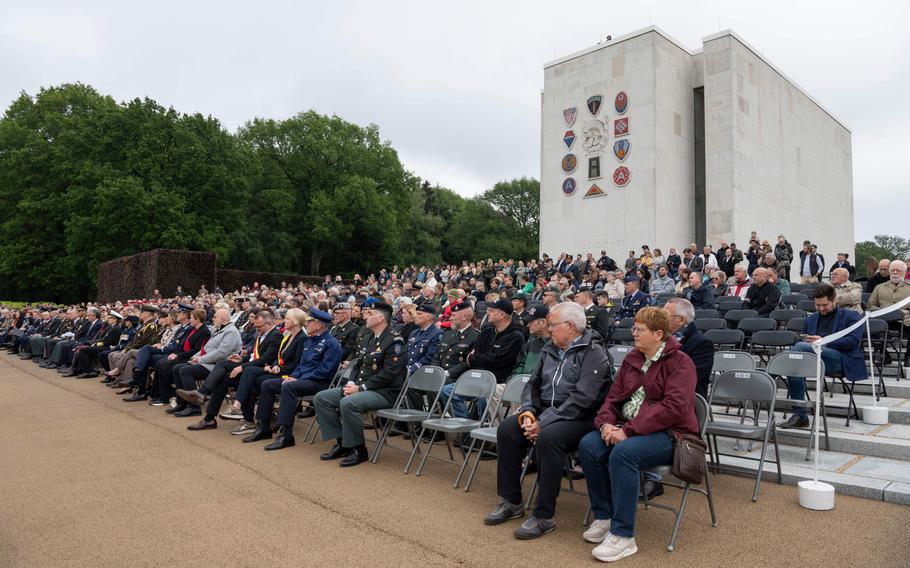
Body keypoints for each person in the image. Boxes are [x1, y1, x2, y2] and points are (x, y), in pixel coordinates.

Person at [577, 307, 698, 561]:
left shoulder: (680, 362)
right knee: (589, 444)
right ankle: (604, 516)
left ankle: (624, 535)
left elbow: (674, 408)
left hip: (670, 433)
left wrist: (628, 431)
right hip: (627, 427)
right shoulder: (633, 359)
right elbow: (612, 398)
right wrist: (606, 425)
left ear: (659, 334)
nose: (634, 333)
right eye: (634, 327)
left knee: (624, 453)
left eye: (640, 329)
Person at [484, 302, 612, 539]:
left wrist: (543, 423)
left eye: (552, 324)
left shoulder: (594, 353)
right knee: (508, 430)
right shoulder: (549, 349)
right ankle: (512, 501)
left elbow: (583, 399)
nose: (549, 329)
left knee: (548, 437)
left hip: (580, 418)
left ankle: (543, 516)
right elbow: (532, 385)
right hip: (545, 413)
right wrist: (529, 413)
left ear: (570, 326)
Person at [313, 302, 406, 467]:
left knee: (348, 403)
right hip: (360, 387)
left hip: (385, 392)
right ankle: (342, 442)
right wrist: (350, 383)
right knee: (321, 398)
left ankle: (358, 449)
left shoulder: (395, 341)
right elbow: (358, 364)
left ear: (381, 317)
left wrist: (361, 388)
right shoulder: (368, 337)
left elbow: (389, 374)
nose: (365, 315)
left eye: (370, 313)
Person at [243, 307, 342, 450]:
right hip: (303, 380)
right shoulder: (309, 341)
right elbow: (301, 366)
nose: (306, 324)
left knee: (288, 387)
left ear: (318, 325)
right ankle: (263, 427)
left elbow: (325, 371)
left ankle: (286, 435)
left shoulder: (332, 344)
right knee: (267, 384)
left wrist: (297, 379)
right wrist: (294, 376)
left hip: (319, 383)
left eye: (309, 322)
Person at [177, 309, 284, 429]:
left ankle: (203, 393)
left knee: (223, 364)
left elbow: (266, 359)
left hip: (261, 371)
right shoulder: (262, 335)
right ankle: (209, 419)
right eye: (255, 325)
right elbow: (254, 356)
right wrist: (241, 359)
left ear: (269, 324)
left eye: (259, 326)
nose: (256, 328)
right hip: (250, 368)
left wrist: (241, 366)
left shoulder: (276, 336)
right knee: (222, 379)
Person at [781, 284, 867, 428]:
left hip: (842, 358)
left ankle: (769, 377)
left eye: (825, 305)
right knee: (794, 366)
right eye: (818, 305)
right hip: (814, 358)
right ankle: (800, 416)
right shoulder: (810, 319)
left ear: (834, 300)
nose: (821, 308)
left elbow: (853, 342)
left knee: (797, 352)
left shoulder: (852, 316)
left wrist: (823, 341)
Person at [169, 308, 241, 417]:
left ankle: (194, 407)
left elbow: (221, 353)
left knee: (185, 370)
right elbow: (206, 348)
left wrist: (200, 359)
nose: (213, 319)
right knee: (177, 368)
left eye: (215, 317)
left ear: (222, 319)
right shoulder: (219, 329)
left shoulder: (231, 332)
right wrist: (195, 357)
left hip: (218, 366)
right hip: (209, 362)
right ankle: (181, 403)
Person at [664, 298, 714, 398]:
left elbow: (689, 378)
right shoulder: (661, 337)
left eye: (665, 315)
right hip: (662, 394)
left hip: (686, 399)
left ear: (681, 320)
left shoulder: (702, 343)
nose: (660, 319)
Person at [867, 260, 910, 367]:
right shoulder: (879, 287)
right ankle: (884, 355)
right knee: (871, 326)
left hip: (905, 320)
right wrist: (879, 311)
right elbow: (870, 305)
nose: (895, 272)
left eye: (898, 270)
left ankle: (908, 356)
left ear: (904, 272)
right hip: (884, 320)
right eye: (892, 270)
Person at [430, 302, 477, 383]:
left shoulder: (475, 336)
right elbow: (437, 355)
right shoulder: (447, 334)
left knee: (434, 385)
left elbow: (468, 363)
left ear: (464, 317)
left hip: (457, 377)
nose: (450, 318)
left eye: (453, 315)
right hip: (440, 374)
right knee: (414, 383)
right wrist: (435, 370)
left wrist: (447, 373)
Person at [512, 305, 550, 375]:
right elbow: (518, 369)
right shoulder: (530, 344)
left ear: (543, 322)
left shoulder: (557, 345)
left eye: (531, 322)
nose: (528, 325)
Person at [405, 304, 442, 374]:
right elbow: (406, 352)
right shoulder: (414, 333)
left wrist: (411, 369)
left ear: (428, 317)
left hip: (422, 372)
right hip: (407, 370)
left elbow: (430, 357)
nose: (415, 316)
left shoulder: (437, 334)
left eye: (419, 314)